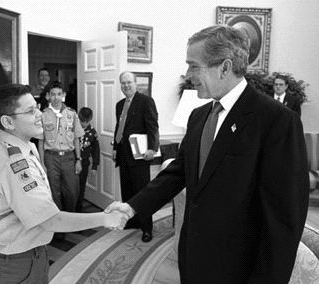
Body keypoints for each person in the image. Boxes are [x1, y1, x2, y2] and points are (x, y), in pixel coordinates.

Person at [106, 25, 309, 283]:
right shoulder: (199, 116)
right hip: (194, 256)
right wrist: (133, 206)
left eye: (194, 66)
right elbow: (179, 171)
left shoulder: (276, 121)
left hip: (239, 266)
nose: (188, 74)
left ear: (224, 67)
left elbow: (284, 217)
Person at [0, 83, 127, 284]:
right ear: (8, 121)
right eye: (30, 111)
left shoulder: (22, 146)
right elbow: (49, 220)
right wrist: (105, 218)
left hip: (25, 252)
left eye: (37, 107)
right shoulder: (14, 163)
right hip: (12, 262)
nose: (39, 114)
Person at [112, 71, 159, 243]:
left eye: (129, 82)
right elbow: (120, 128)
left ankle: (147, 228)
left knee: (143, 193)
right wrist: (116, 147)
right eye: (123, 83)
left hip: (140, 156)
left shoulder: (146, 101)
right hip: (124, 155)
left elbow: (153, 126)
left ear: (135, 83)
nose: (126, 86)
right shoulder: (119, 105)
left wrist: (152, 149)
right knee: (128, 191)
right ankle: (133, 221)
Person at [38, 81, 84, 215]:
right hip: (51, 158)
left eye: (59, 94)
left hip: (69, 158)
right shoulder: (43, 115)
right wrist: (42, 163)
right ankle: (57, 225)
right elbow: (41, 142)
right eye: (53, 95)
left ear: (64, 95)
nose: (56, 98)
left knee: (72, 191)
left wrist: (78, 159)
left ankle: (70, 218)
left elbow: (76, 138)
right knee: (53, 191)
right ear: (48, 96)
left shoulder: (72, 114)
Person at [76, 107, 100, 212]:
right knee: (71, 188)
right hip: (71, 162)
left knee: (81, 188)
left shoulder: (92, 132)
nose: (83, 124)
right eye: (81, 121)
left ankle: (79, 210)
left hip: (84, 163)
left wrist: (95, 166)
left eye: (86, 122)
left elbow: (96, 150)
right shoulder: (73, 128)